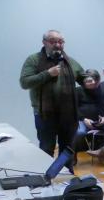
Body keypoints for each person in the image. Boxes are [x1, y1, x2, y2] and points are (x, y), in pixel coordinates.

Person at [20, 29, 85, 157]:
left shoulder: (69, 62)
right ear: (44, 42)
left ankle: (67, 175)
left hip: (67, 114)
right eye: (53, 41)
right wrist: (47, 74)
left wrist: (91, 80)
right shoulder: (34, 60)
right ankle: (45, 177)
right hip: (44, 114)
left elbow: (84, 79)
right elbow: (25, 82)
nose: (57, 44)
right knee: (46, 148)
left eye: (60, 42)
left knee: (67, 150)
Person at [75, 69, 104, 148]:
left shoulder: (103, 90)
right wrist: (84, 119)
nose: (92, 83)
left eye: (93, 80)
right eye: (88, 81)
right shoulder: (78, 91)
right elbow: (73, 109)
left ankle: (103, 150)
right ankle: (75, 154)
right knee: (80, 133)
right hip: (82, 121)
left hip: (99, 121)